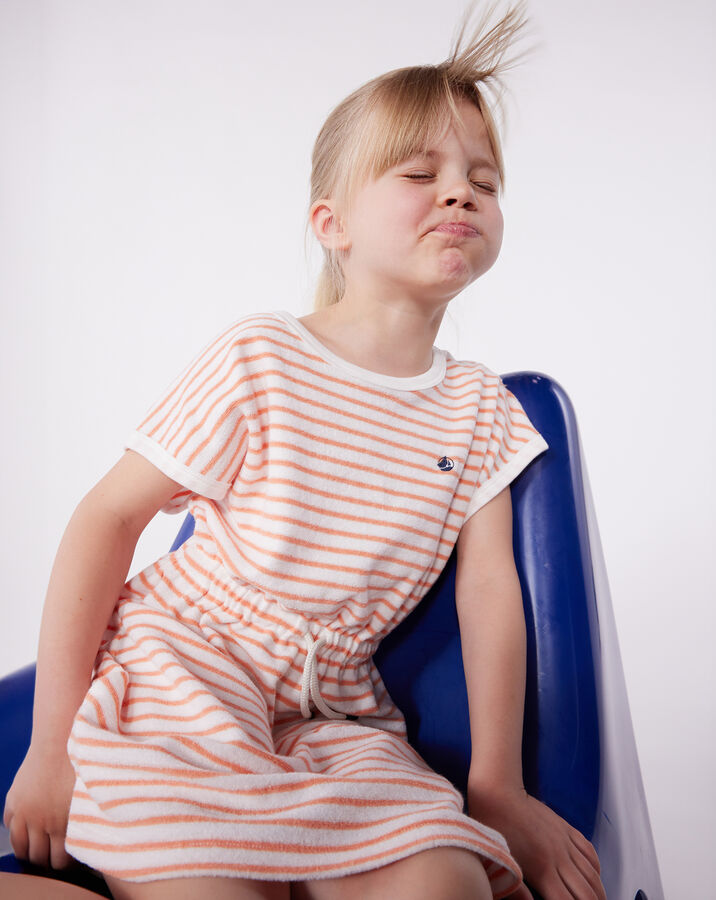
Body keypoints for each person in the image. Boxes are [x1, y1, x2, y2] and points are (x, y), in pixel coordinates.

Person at [2, 2, 606, 899]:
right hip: (185, 676)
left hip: (333, 715)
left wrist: (496, 785)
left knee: (445, 882)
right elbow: (108, 516)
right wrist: (50, 745)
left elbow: (489, 593)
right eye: (419, 171)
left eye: (484, 179)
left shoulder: (481, 407)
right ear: (331, 224)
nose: (460, 192)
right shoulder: (264, 356)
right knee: (206, 885)